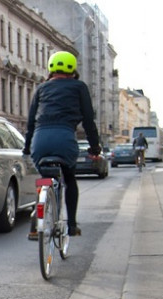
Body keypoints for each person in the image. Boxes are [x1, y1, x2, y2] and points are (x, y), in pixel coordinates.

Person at [24, 51, 101, 238]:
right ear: (72, 69)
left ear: (50, 68)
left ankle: (37, 218)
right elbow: (89, 121)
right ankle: (72, 226)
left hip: (40, 141)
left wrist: (27, 148)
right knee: (69, 179)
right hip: (65, 139)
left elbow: (31, 122)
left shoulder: (41, 89)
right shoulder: (79, 87)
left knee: (44, 180)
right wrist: (95, 148)